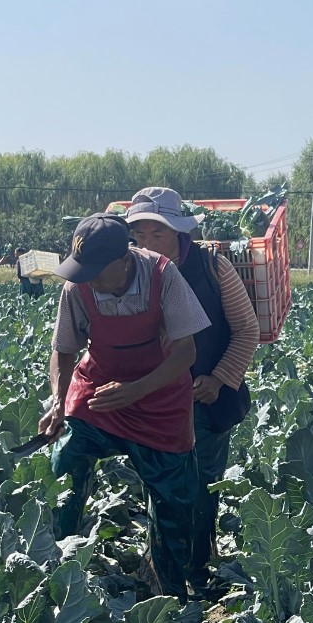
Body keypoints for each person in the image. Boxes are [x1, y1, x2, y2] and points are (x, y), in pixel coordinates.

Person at [38, 213, 210, 600]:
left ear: (124, 258)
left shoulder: (163, 275)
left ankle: (165, 588)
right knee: (65, 461)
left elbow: (185, 353)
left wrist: (137, 390)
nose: (88, 278)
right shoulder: (77, 287)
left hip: (161, 396)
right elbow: (64, 350)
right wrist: (58, 401)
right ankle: (53, 569)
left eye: (97, 269)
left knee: (172, 498)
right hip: (100, 389)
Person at [126, 187, 259, 586]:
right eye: (140, 237)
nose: (147, 245)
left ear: (180, 234)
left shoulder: (213, 267)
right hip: (154, 402)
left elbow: (246, 330)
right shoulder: (129, 273)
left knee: (201, 486)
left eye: (158, 234)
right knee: (160, 487)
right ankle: (162, 573)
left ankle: (197, 567)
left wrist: (219, 378)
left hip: (207, 401)